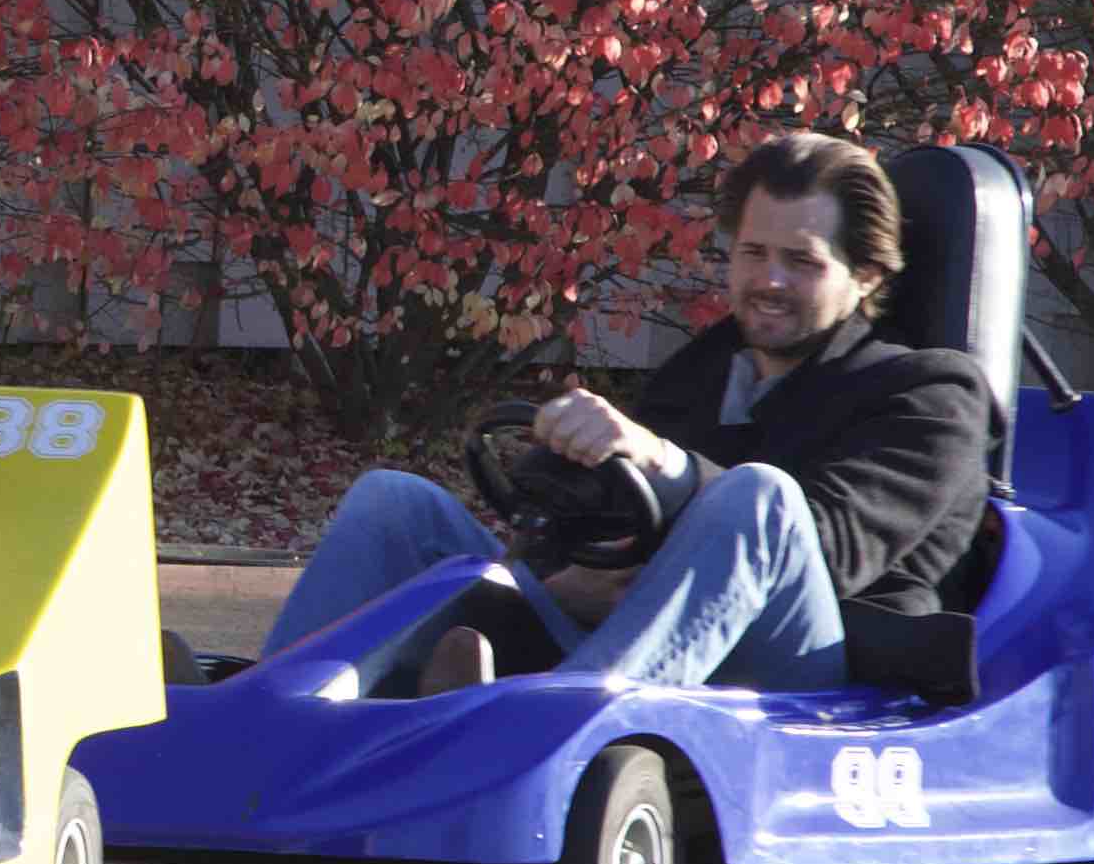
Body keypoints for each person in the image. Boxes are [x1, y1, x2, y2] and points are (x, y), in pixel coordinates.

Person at [261, 130, 995, 689]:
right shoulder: (699, 373)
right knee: (395, 504)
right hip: (641, 651)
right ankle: (266, 721)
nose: (768, 280)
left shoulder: (930, 394)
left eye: (801, 262)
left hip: (807, 682)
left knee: (762, 496)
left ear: (864, 274)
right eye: (751, 253)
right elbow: (593, 524)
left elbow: (826, 549)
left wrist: (663, 463)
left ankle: (563, 740)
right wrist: (554, 575)